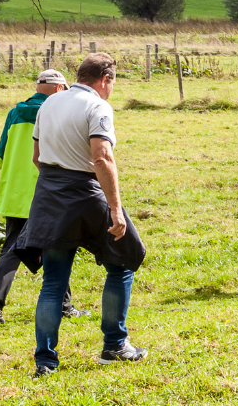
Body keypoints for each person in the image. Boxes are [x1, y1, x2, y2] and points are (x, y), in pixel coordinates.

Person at [12, 52, 147, 377]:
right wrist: (115, 208)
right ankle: (115, 345)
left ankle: (45, 361)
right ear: (106, 80)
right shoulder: (98, 106)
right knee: (124, 259)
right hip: (85, 191)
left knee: (54, 281)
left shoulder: (50, 104)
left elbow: (36, 156)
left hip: (49, 192)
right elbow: (101, 158)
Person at [0, 70, 83, 324]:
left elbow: (1, 154)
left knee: (11, 248)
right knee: (58, 247)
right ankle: (64, 305)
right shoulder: (57, 112)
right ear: (60, 89)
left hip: (15, 192)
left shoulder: (15, 112)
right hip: (48, 191)